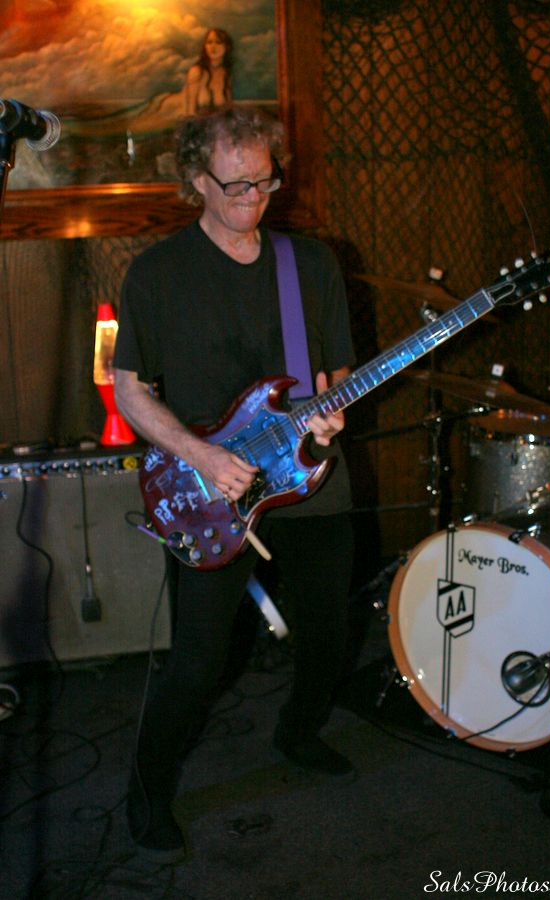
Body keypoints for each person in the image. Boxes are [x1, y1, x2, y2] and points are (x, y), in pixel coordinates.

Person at [113, 104, 357, 864]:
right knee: (199, 662)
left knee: (329, 630)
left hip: (308, 471)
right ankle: (147, 788)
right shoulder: (157, 274)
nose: (255, 197)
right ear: (196, 179)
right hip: (207, 487)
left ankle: (298, 732)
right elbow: (129, 390)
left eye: (266, 181)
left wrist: (331, 412)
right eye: (237, 184)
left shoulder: (308, 263)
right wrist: (201, 454)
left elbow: (336, 367)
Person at [184, 28, 233, 115]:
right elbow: (190, 111)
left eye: (218, 42)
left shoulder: (226, 73)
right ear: (205, 46)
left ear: (226, 46)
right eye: (209, 42)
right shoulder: (197, 72)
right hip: (197, 122)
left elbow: (228, 109)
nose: (213, 47)